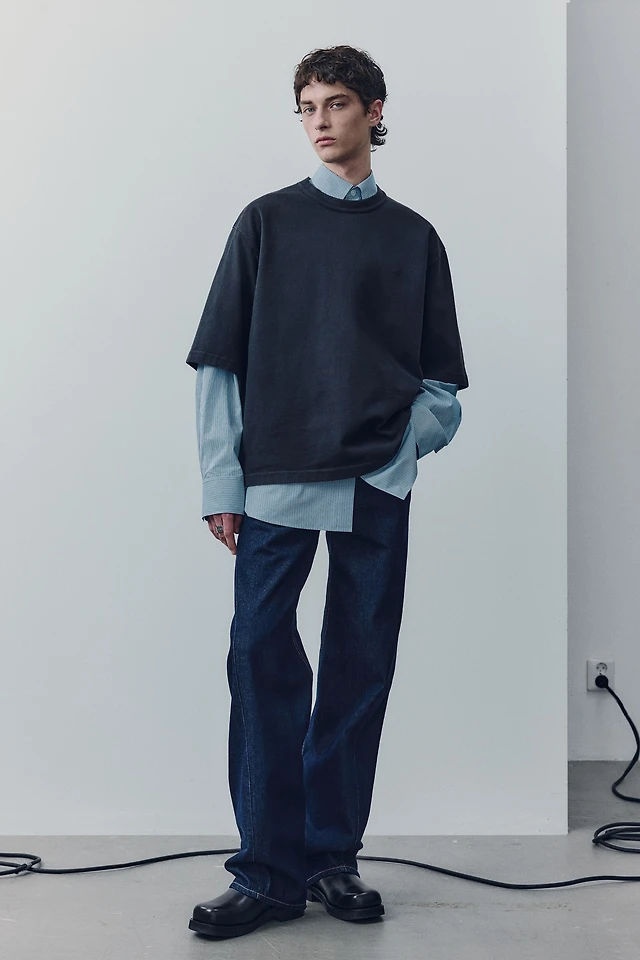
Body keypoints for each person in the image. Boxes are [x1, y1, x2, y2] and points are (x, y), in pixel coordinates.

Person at [186, 44, 469, 941]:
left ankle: (329, 857)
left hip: (375, 481)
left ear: (374, 112)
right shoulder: (265, 223)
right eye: (307, 105)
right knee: (259, 658)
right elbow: (218, 364)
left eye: (337, 103)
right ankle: (266, 871)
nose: (319, 119)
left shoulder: (414, 238)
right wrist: (222, 479)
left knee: (359, 667)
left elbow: (443, 384)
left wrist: (399, 454)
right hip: (275, 479)